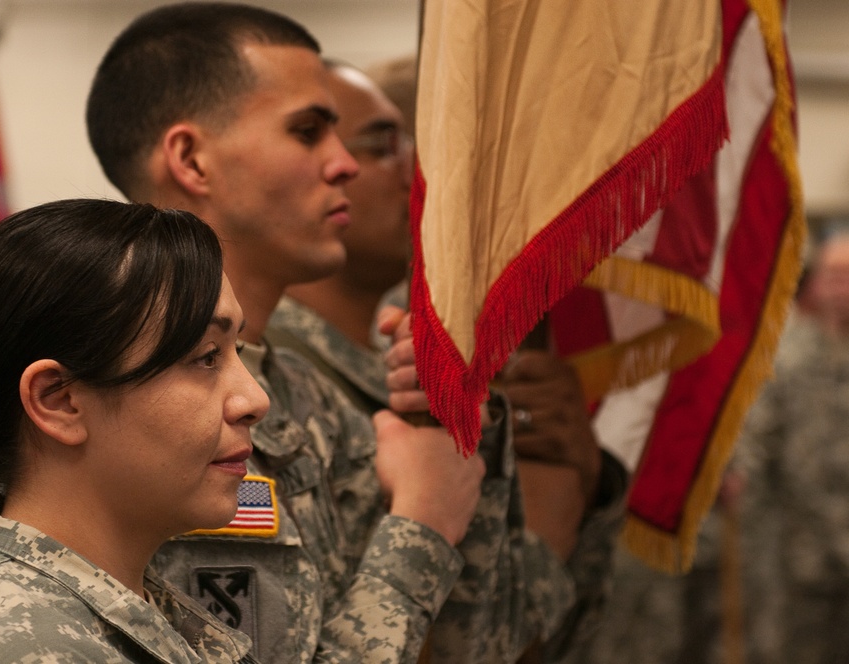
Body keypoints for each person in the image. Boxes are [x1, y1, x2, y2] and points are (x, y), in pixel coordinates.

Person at [86, 4, 621, 662]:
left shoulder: (302, 394)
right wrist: (422, 519)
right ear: (192, 159)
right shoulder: (123, 400)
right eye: (308, 133)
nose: (345, 165)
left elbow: (474, 649)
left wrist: (453, 436)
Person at [269, 59, 627, 660]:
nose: (420, 169)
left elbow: (558, 635)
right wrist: (552, 501)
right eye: (385, 144)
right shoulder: (266, 384)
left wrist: (582, 477)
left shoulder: (402, 362)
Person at [0, 199, 269, 663]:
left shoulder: (124, 616)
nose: (255, 399)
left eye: (236, 350)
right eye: (206, 356)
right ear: (60, 400)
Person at [735, 227, 849, 664]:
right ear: (816, 284)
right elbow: (757, 438)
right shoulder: (786, 355)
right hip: (801, 554)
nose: (841, 289)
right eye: (833, 277)